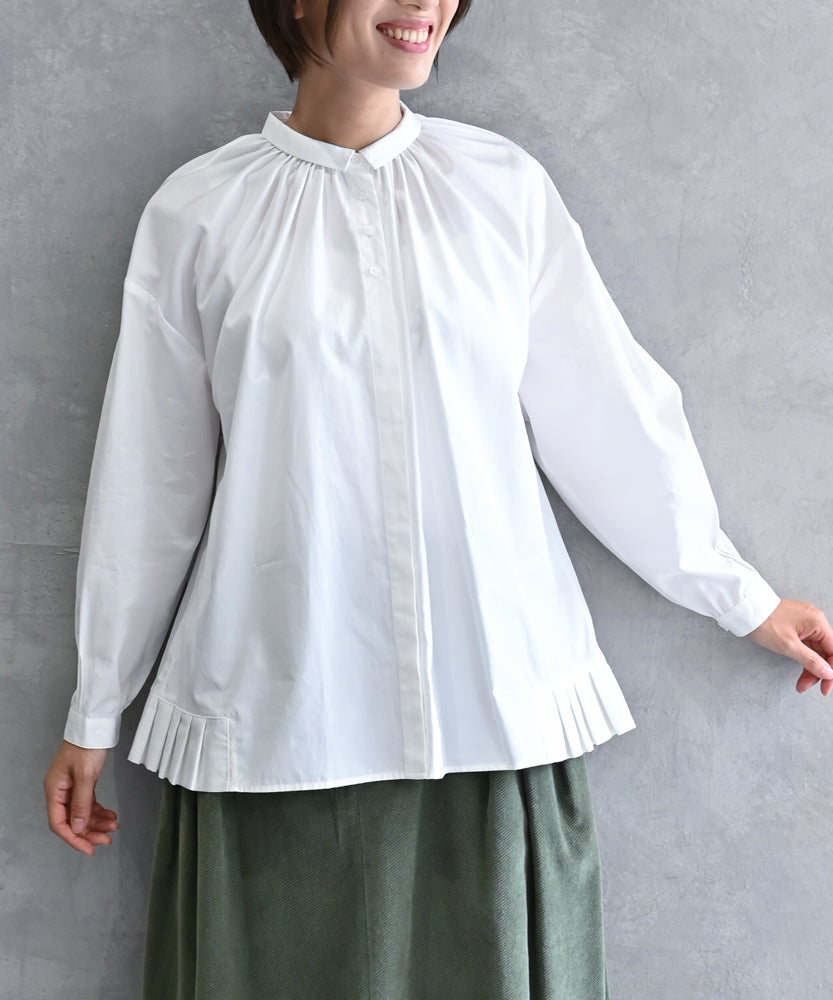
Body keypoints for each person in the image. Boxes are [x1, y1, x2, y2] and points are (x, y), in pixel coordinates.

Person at [43, 0, 833, 997]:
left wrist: (739, 597)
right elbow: (149, 477)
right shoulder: (199, 212)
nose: (425, 5)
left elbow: (609, 416)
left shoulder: (499, 188)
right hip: (276, 721)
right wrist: (95, 705)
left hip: (489, 712)